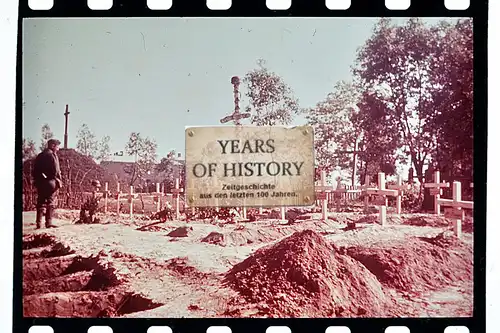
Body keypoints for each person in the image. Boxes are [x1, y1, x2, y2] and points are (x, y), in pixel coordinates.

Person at [32, 139, 63, 229]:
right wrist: (58, 180)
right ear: (52, 146)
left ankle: (38, 223)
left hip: (40, 182)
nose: (58, 148)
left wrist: (38, 179)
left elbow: (34, 171)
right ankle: (48, 223)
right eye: (57, 146)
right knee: (50, 202)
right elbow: (56, 170)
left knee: (40, 202)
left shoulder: (40, 155)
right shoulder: (52, 155)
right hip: (50, 182)